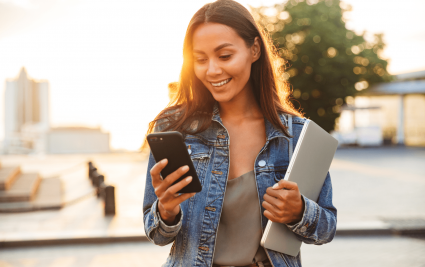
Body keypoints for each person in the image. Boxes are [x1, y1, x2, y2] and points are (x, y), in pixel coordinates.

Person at [143, 0, 337, 266]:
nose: (212, 70)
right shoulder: (174, 129)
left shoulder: (295, 136)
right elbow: (156, 233)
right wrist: (166, 211)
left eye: (224, 56)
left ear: (254, 49)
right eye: (200, 59)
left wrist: (299, 211)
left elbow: (326, 229)